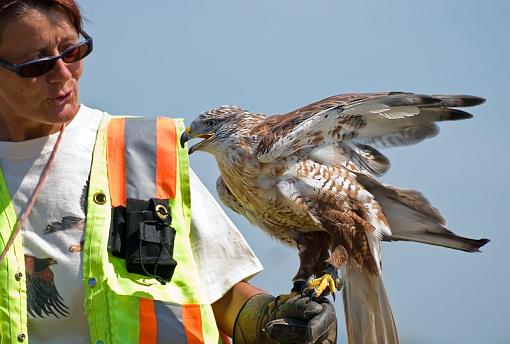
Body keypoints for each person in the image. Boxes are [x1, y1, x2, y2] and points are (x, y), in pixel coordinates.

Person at [0, 1, 337, 343]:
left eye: (73, 50)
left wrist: (271, 321)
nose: (62, 73)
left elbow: (218, 291)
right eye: (36, 64)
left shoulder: (143, 150)